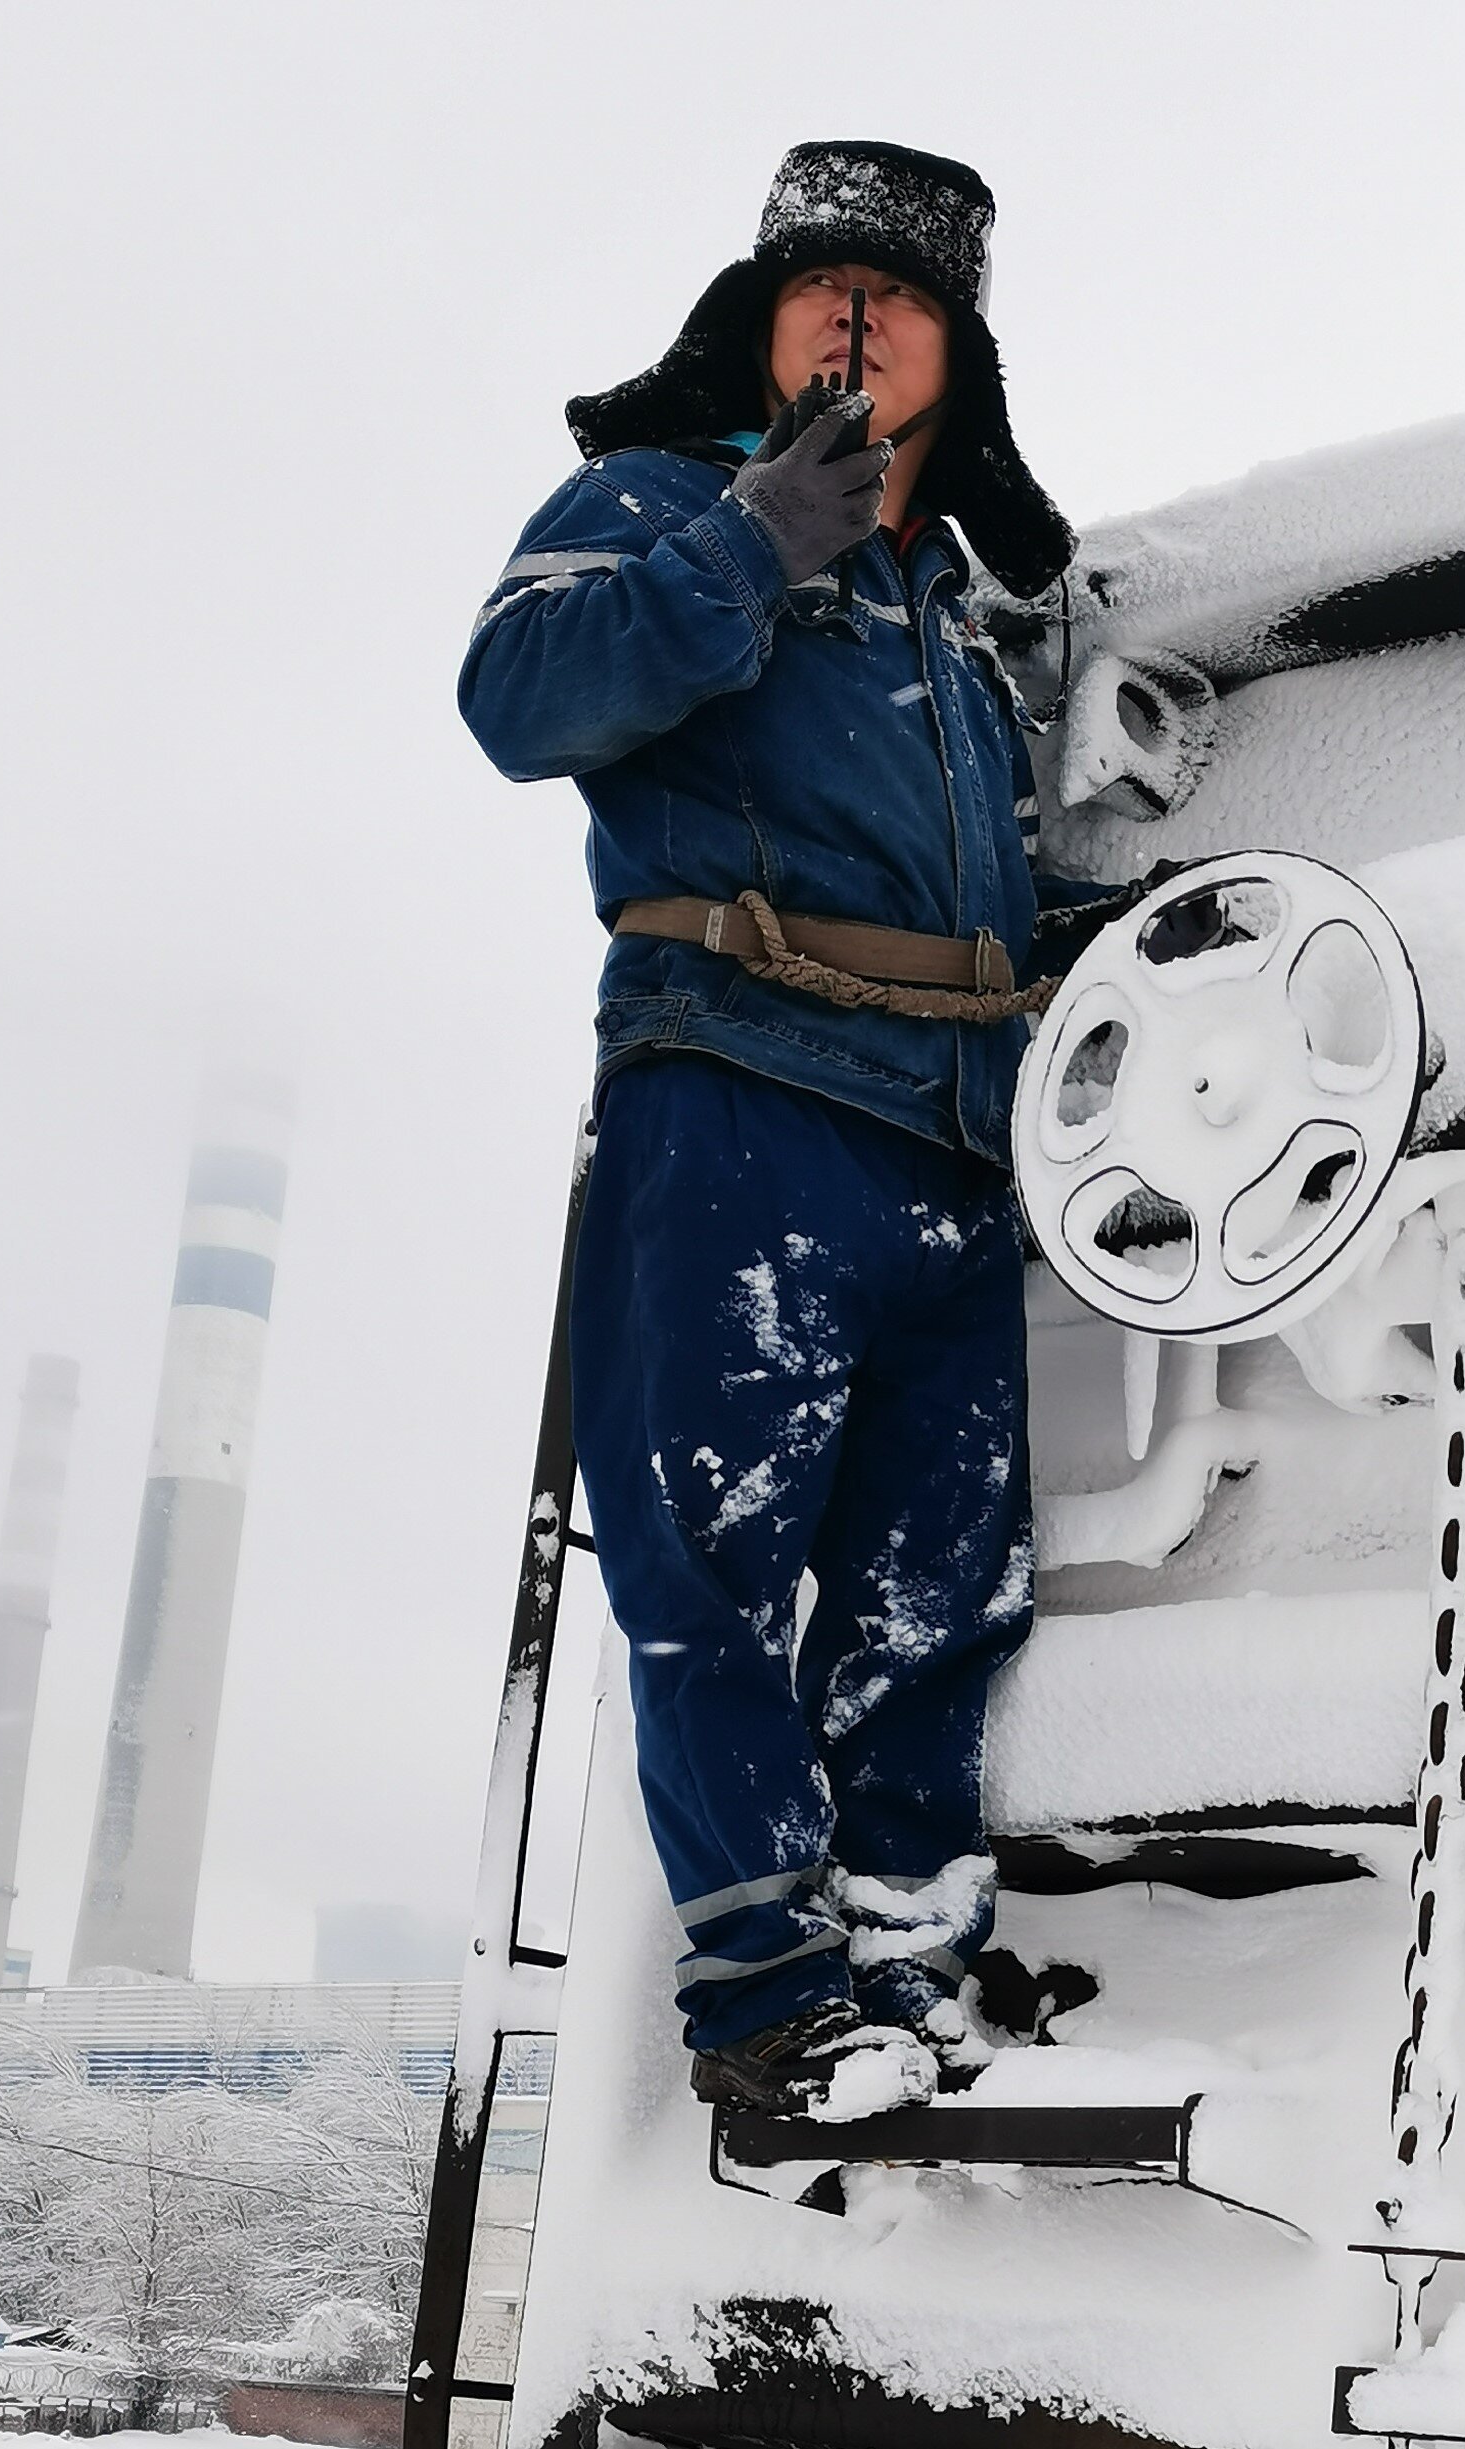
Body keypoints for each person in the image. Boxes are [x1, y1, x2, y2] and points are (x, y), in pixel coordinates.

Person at [458, 142, 1127, 2115]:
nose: (856, 318)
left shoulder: (962, 628)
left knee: (945, 1588)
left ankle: (909, 1985)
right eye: (819, 286)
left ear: (955, 352)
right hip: (736, 1097)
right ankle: (767, 2019)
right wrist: (750, 542)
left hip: (949, 1147)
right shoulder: (654, 506)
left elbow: (989, 898)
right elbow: (513, 697)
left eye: (899, 295)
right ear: (756, 326)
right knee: (715, 1574)